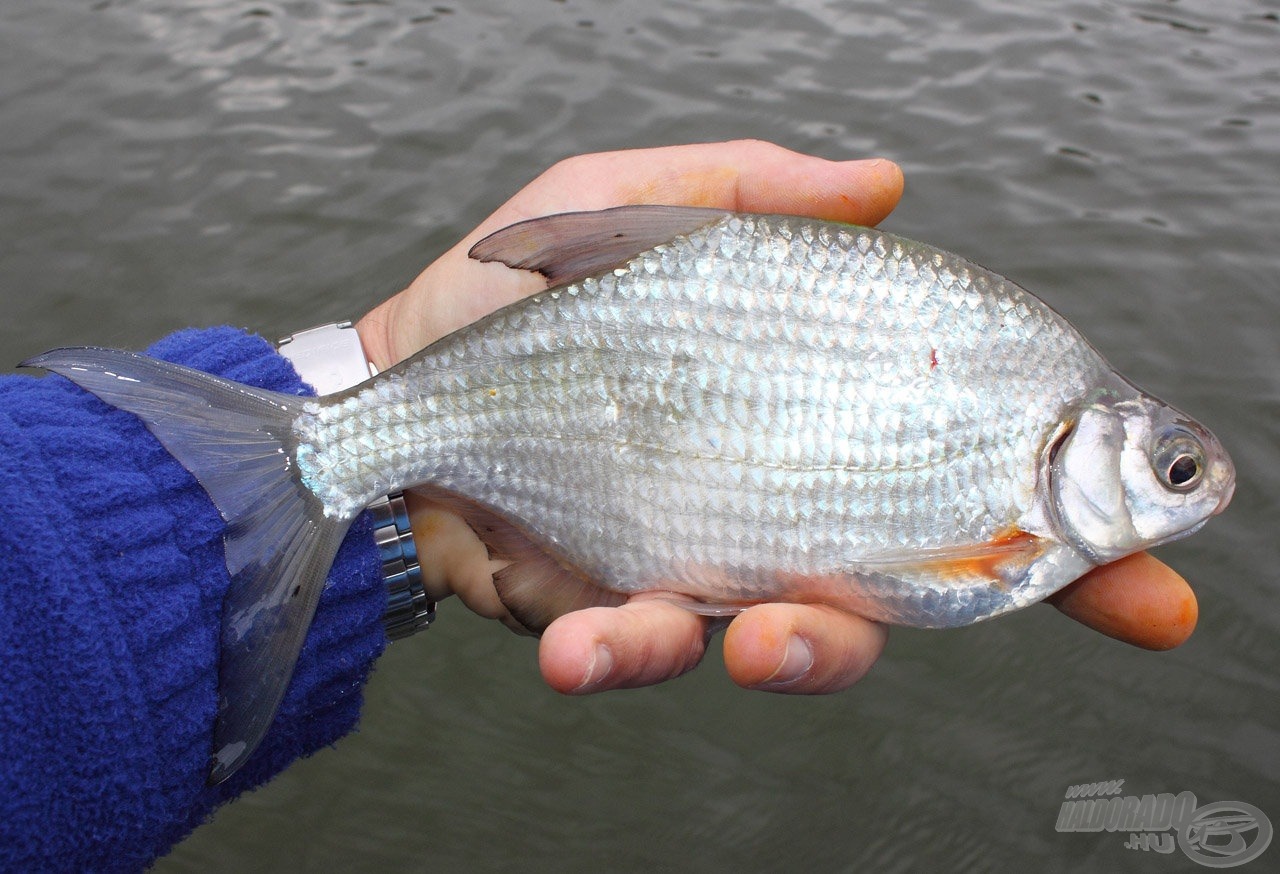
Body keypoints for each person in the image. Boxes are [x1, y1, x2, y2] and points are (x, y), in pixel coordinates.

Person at [0, 140, 1198, 871]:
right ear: (1083, 446)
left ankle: (324, 449)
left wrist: (362, 381)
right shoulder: (1027, 435)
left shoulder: (1032, 384)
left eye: (1173, 472)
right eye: (1171, 470)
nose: (1176, 490)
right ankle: (323, 453)